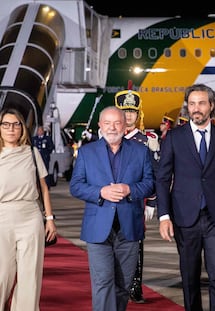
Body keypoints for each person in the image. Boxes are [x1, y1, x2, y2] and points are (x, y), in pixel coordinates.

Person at [156, 83, 215, 311]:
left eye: (201, 103)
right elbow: (163, 179)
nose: (196, 108)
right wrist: (164, 216)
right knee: (190, 277)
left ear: (211, 106)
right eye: (192, 103)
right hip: (185, 218)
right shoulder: (174, 138)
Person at [69, 106, 154, 311]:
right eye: (107, 123)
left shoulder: (141, 151)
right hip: (98, 228)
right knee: (103, 282)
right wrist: (100, 192)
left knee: (123, 285)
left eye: (117, 123)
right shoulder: (87, 152)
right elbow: (76, 186)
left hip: (129, 229)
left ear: (125, 126)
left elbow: (150, 183)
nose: (112, 127)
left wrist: (129, 189)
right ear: (100, 126)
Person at [0, 108, 57, 311]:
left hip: (30, 216)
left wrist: (49, 218)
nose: (11, 129)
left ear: (23, 128)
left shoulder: (32, 153)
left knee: (29, 276)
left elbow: (43, 187)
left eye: (16, 124)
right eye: (6, 124)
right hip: (2, 217)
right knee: (2, 274)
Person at [114, 85, 160, 303]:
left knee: (135, 243)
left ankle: (135, 284)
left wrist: (151, 201)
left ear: (138, 114)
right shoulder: (108, 137)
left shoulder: (147, 140)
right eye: (125, 112)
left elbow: (154, 173)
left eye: (132, 112)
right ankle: (116, 282)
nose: (128, 116)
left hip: (135, 201)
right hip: (112, 200)